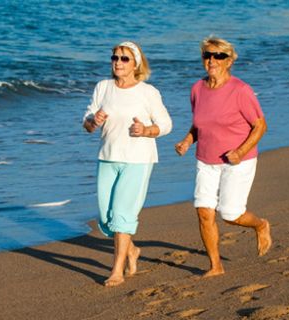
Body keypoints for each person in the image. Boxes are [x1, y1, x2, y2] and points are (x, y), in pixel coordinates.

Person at [174, 36, 272, 277]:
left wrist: (240, 151)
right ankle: (215, 266)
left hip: (238, 161)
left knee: (230, 214)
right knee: (204, 212)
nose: (212, 60)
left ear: (229, 61)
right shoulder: (197, 89)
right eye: (207, 55)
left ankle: (261, 225)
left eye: (219, 56)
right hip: (205, 160)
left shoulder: (241, 90)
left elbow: (260, 125)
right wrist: (187, 140)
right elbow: (200, 124)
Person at [83, 41, 172, 287]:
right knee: (105, 219)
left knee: (122, 215)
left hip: (138, 159)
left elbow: (165, 125)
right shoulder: (103, 87)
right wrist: (94, 121)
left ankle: (117, 270)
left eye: (124, 58)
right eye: (115, 57)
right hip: (108, 156)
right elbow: (88, 123)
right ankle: (132, 250)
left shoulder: (148, 92)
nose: (118, 62)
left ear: (136, 63)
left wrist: (145, 130)